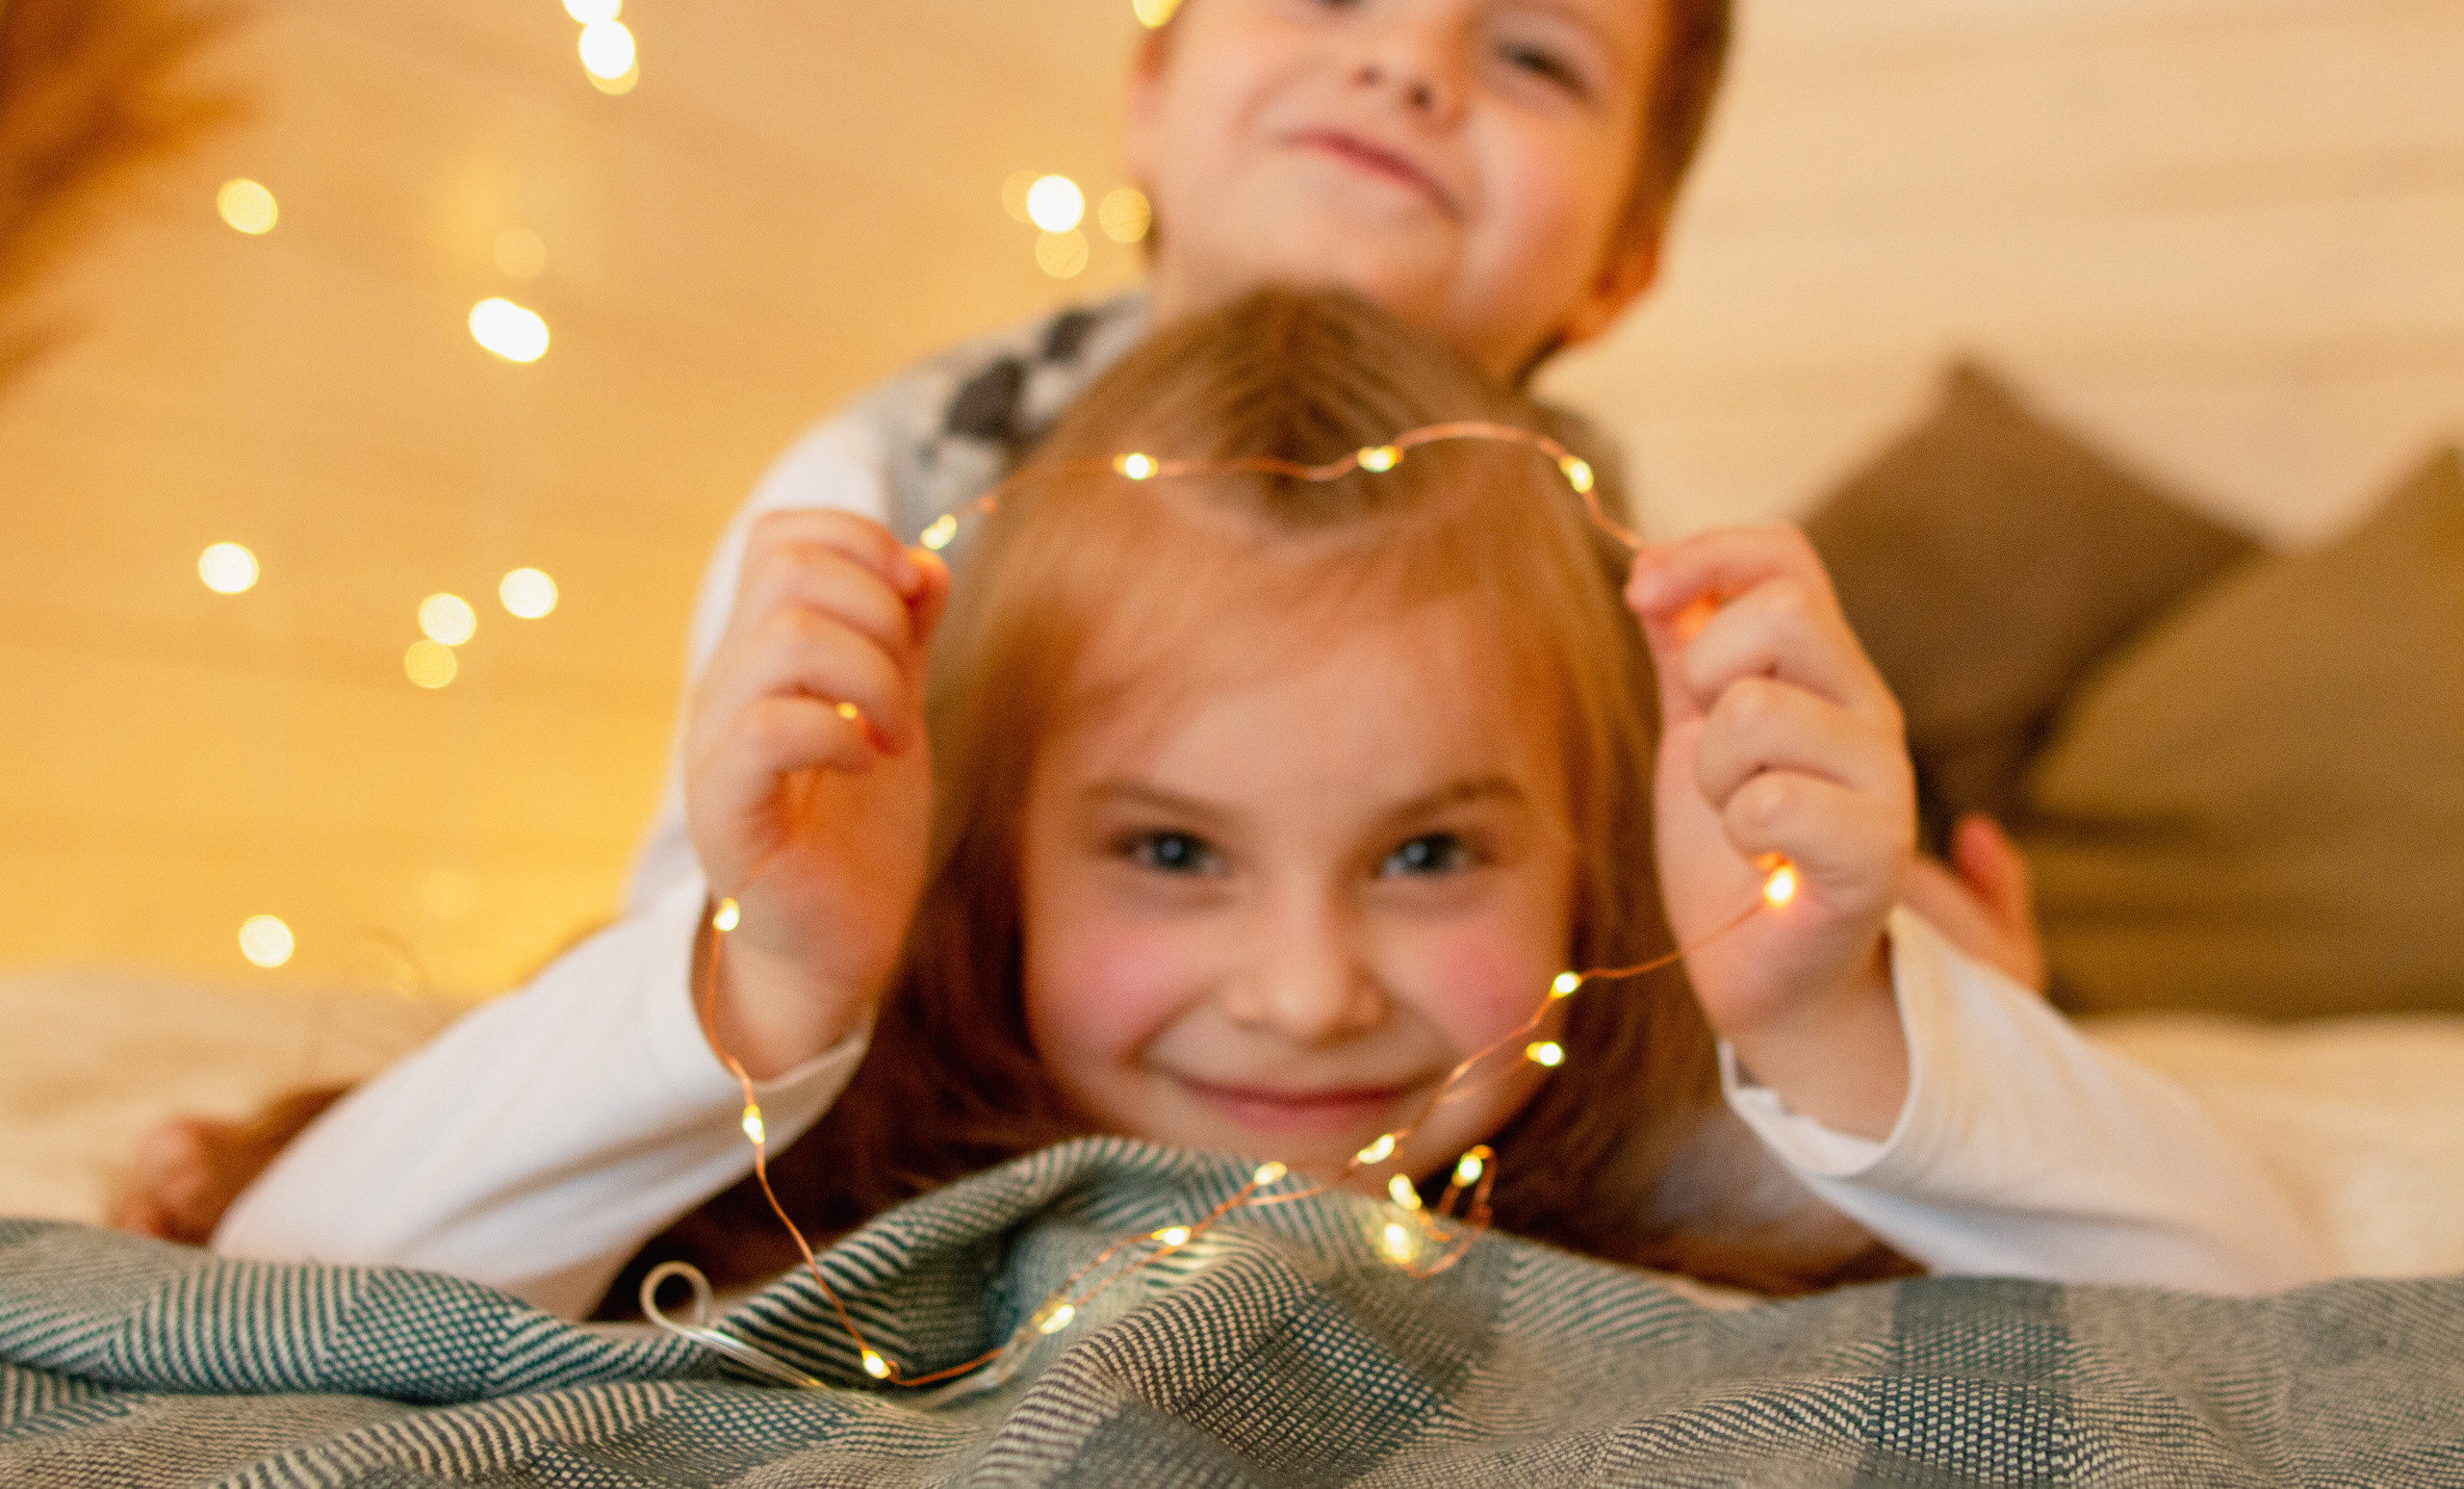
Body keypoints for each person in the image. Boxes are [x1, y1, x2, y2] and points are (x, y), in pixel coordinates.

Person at [116, 0, 2037, 1251]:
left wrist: (1929, 1057)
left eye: (1530, 57)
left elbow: (1645, 1011)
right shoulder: (886, 479)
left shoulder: (1613, 575)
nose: (1405, 69)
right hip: (890, 1062)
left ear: (1621, 255)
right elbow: (699, 968)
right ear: (1144, 94)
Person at [210, 292, 2325, 1322]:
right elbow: (284, 1282)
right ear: (990, 848)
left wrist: (1837, 1017)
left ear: (1584, 845)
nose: (1308, 993)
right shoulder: (847, 1097)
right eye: (1166, 847)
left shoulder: (1629, 1091)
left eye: (1428, 849)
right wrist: (775, 963)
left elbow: (2260, 1292)